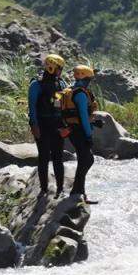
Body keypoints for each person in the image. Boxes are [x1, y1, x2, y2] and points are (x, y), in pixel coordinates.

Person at [28, 54, 67, 198]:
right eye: (60, 68)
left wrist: (65, 126)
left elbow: (62, 107)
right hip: (42, 126)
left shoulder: (61, 84)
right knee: (43, 157)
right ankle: (44, 189)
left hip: (57, 125)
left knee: (58, 157)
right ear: (53, 68)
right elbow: (32, 107)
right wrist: (34, 125)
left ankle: (60, 189)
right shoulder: (36, 85)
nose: (61, 71)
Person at [59, 65, 98, 203]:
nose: (90, 81)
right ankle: (77, 192)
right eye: (89, 79)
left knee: (84, 160)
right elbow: (82, 115)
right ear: (85, 78)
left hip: (72, 129)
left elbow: (78, 116)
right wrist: (88, 135)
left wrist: (94, 123)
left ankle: (80, 192)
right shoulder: (80, 94)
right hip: (79, 131)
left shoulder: (71, 91)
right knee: (87, 159)